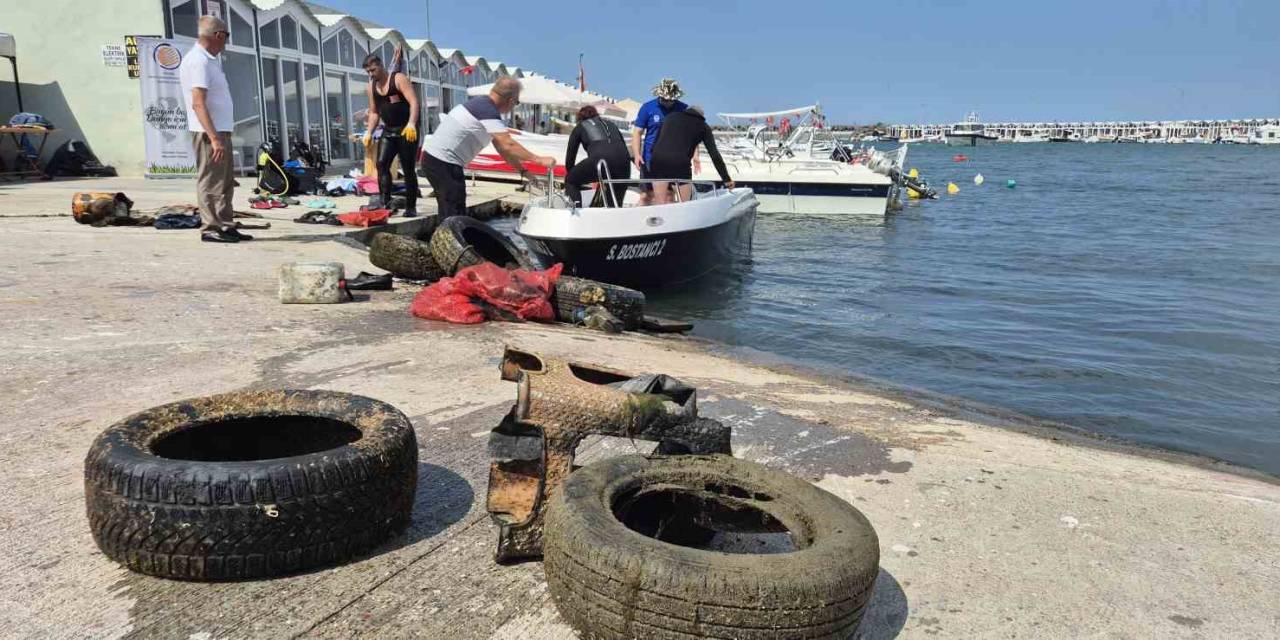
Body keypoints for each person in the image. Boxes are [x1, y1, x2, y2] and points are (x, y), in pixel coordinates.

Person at [421, 77, 555, 218]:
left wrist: (524, 171)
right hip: (443, 162)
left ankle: (449, 237)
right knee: (454, 212)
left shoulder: (483, 106)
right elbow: (508, 144)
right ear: (511, 100)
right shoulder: (487, 110)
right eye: (517, 102)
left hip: (437, 161)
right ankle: (449, 238)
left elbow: (503, 150)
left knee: (452, 209)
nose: (514, 106)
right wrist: (539, 160)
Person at [179, 16, 246, 243]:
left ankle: (226, 224)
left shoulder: (211, 60)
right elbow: (198, 102)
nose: (227, 41)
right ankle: (210, 227)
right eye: (226, 36)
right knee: (210, 180)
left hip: (220, 131)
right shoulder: (198, 61)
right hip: (209, 133)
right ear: (218, 35)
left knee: (225, 182)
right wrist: (214, 138)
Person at [362, 53, 421, 217]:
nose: (371, 74)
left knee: (408, 168)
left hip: (407, 129)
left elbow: (414, 102)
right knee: (381, 164)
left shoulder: (398, 78)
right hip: (388, 130)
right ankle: (385, 201)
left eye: (373, 70)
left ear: (380, 65)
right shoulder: (371, 87)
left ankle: (411, 207)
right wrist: (369, 132)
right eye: (368, 72)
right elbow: (374, 112)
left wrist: (411, 123)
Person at [648, 105, 734, 204]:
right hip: (680, 163)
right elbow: (714, 155)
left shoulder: (670, 117)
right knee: (684, 204)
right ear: (702, 116)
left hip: (657, 160)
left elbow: (654, 144)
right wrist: (726, 179)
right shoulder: (703, 126)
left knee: (660, 203)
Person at [630, 78, 693, 205]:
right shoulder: (647, 108)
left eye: (671, 100)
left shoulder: (684, 110)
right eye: (665, 99)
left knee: (670, 196)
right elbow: (637, 132)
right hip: (650, 159)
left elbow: (691, 135)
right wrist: (637, 154)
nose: (668, 103)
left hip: (674, 160)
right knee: (646, 195)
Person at [564, 105, 631, 207]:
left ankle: (576, 213)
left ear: (579, 118)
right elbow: (621, 147)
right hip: (624, 163)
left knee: (570, 180)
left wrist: (573, 179)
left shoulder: (581, 126)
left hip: (601, 161)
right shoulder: (612, 125)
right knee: (615, 205)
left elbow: (570, 159)